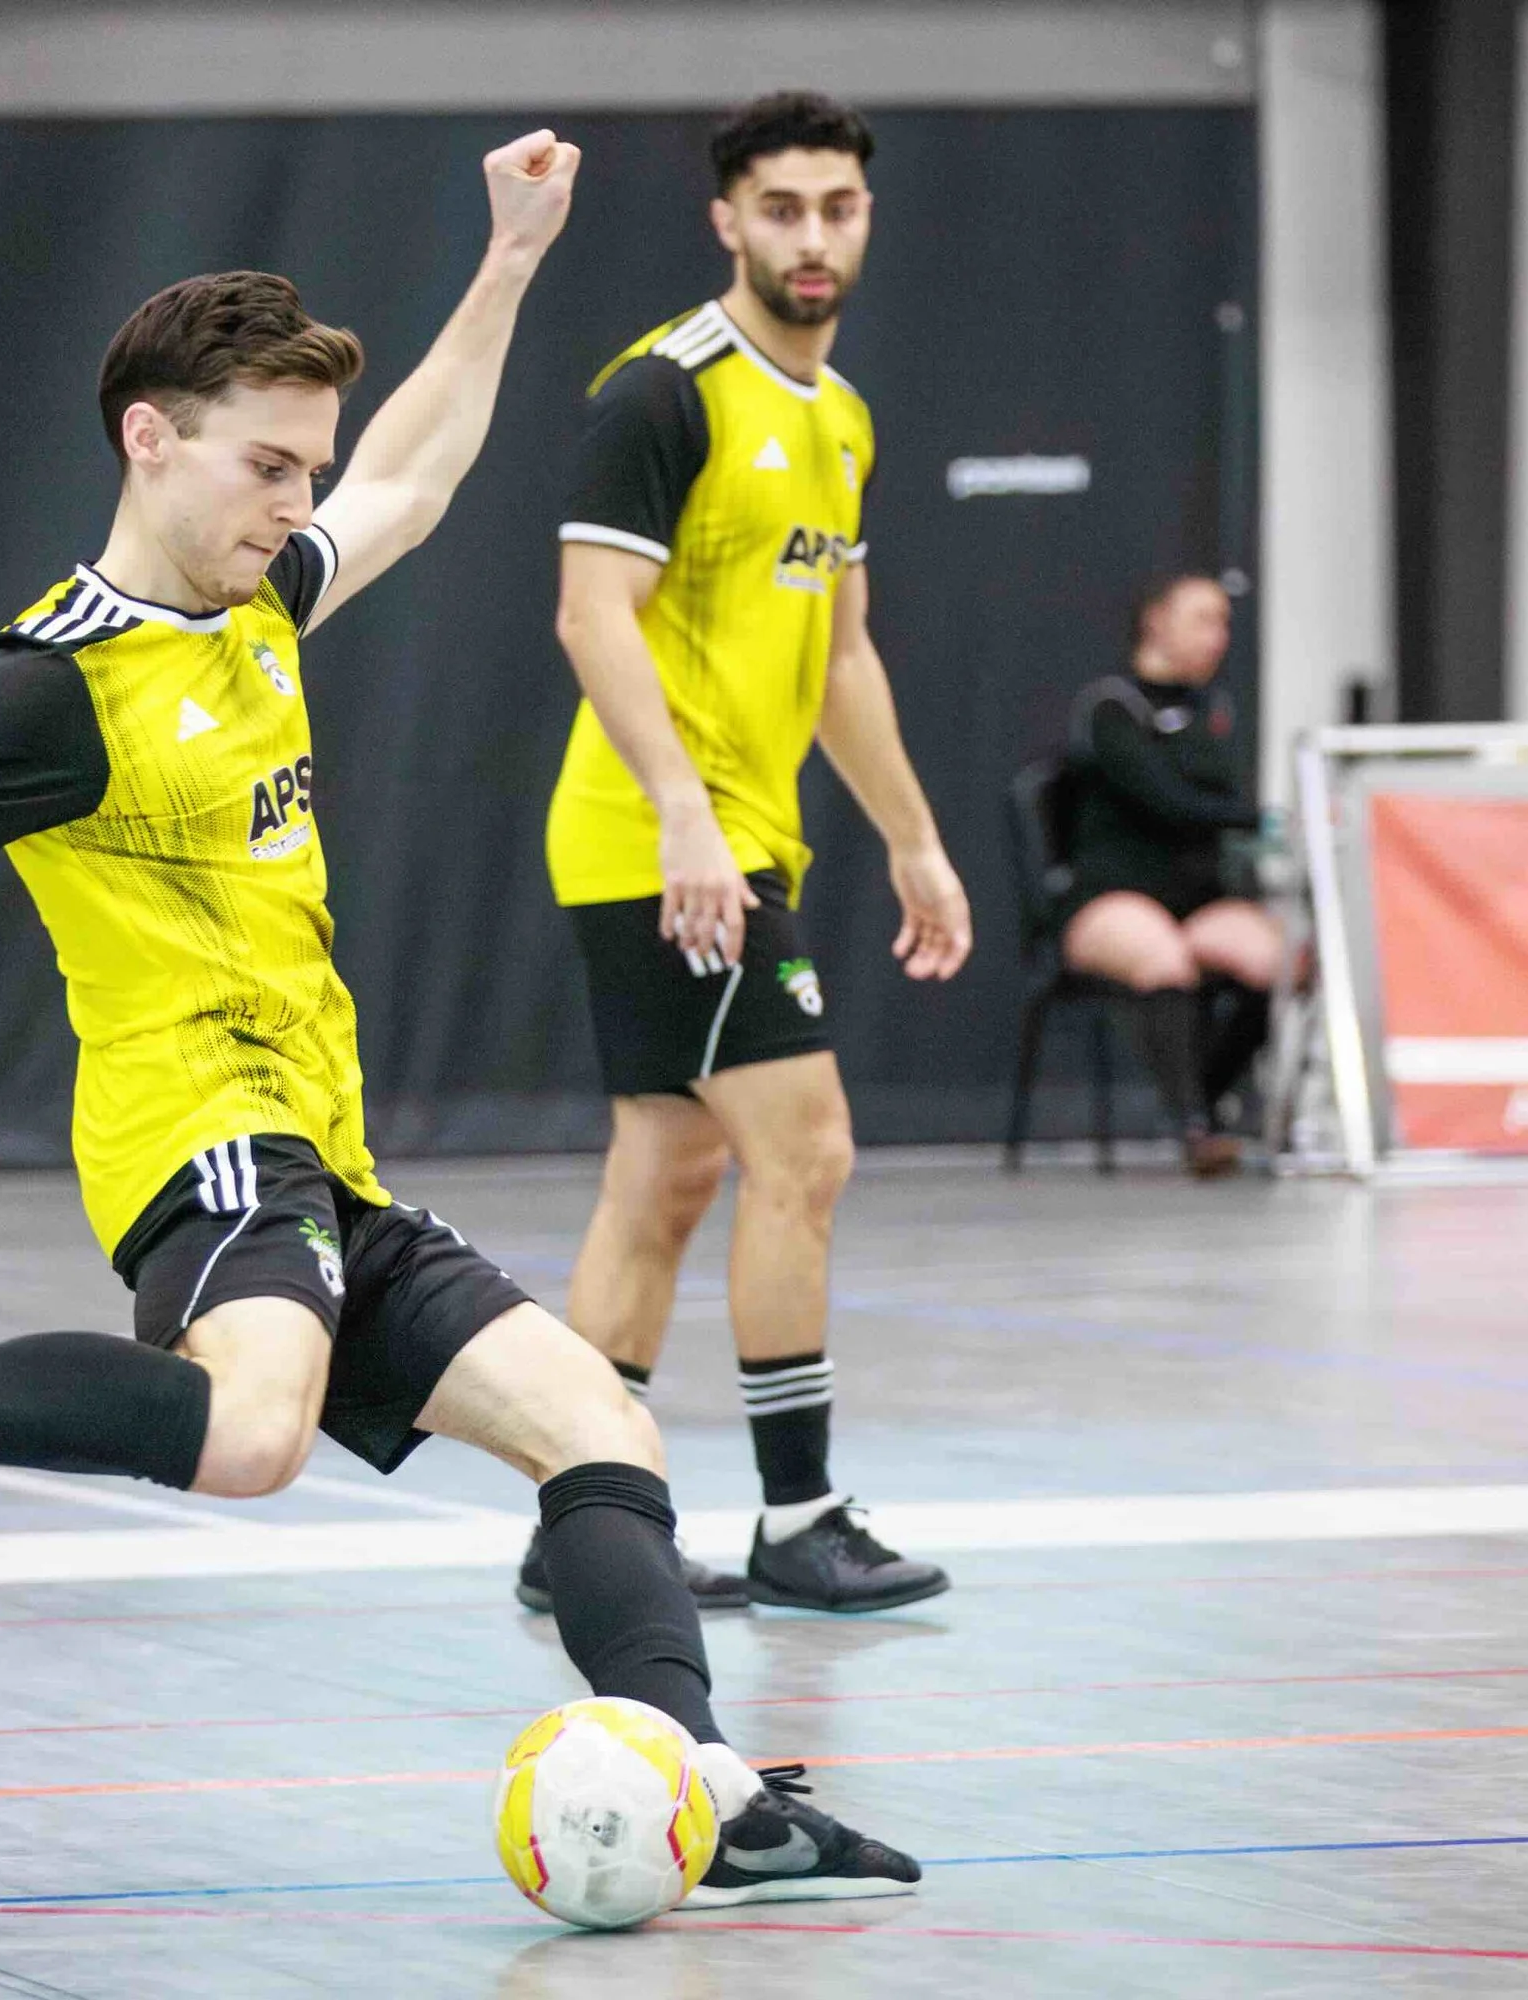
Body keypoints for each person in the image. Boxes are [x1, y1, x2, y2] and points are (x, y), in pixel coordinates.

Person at [0, 134, 919, 1904]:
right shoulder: (48, 688)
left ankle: (703, 1783)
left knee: (603, 1427)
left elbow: (410, 475)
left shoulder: (261, 611)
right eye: (266, 466)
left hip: (324, 1156)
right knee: (251, 1431)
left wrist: (502, 266)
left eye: (301, 470)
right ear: (148, 437)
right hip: (201, 1137)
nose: (294, 501)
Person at [526, 92, 969, 1618]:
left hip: (726, 842)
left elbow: (843, 655)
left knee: (666, 1173)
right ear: (728, 220)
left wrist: (914, 840)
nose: (813, 237)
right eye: (781, 208)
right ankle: (800, 1518)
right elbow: (593, 615)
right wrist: (685, 812)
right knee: (810, 1145)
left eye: (837, 206)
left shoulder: (838, 419)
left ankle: (576, 1526)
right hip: (662, 846)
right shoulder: (666, 392)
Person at [1061, 572, 1280, 1177]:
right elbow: (1169, 803)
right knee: (1164, 959)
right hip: (1115, 893)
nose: (1219, 637)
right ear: (1157, 621)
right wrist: (1261, 817)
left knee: (1278, 963)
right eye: (1203, 620)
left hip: (1198, 898)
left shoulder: (1214, 711)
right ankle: (1193, 1128)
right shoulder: (1113, 708)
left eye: (1225, 623)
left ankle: (1207, 1098)